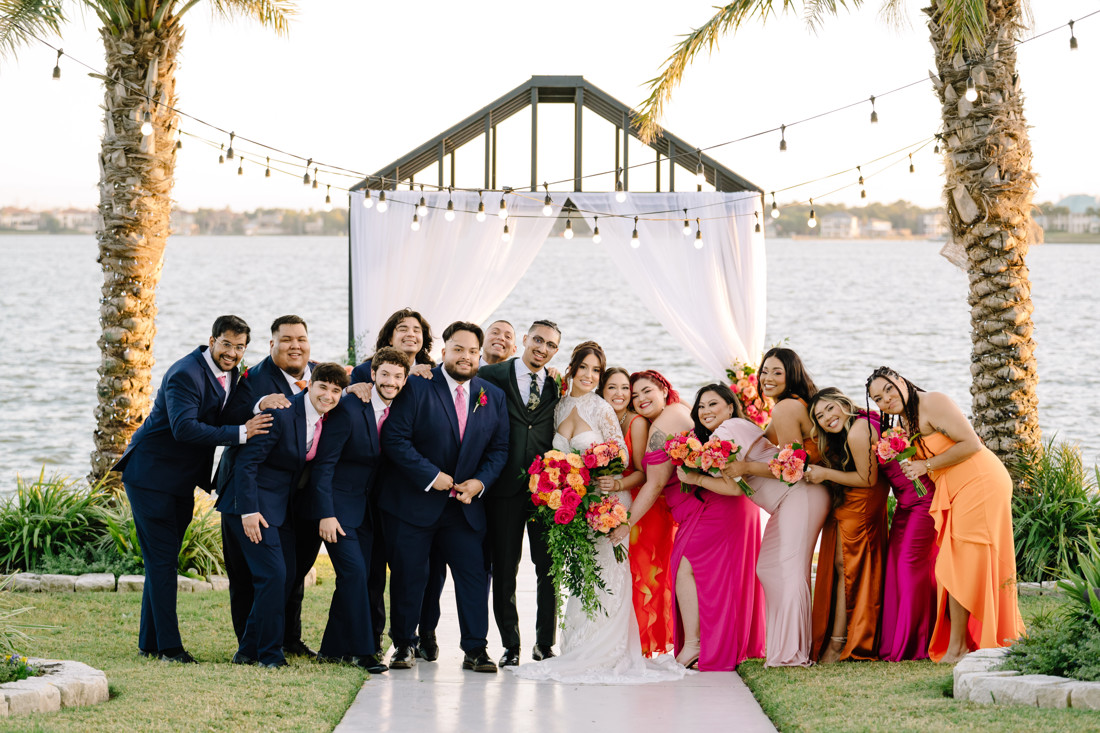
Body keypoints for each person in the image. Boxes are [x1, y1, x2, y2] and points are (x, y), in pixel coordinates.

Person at [512, 352, 687, 684]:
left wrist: (604, 478)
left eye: (596, 370)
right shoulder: (560, 406)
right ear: (572, 369)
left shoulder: (603, 409)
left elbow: (625, 462)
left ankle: (608, 650)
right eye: (584, 368)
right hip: (576, 504)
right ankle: (579, 644)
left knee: (607, 574)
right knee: (581, 575)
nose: (589, 375)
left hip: (606, 502)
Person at [114, 315, 269, 664]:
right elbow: (184, 428)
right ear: (211, 340)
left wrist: (261, 405)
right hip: (150, 476)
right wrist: (243, 433)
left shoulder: (232, 373)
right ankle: (170, 648)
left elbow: (228, 409)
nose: (232, 353)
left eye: (240, 347)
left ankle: (150, 641)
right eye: (226, 344)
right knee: (163, 562)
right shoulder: (185, 374)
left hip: (179, 481)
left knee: (161, 562)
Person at [867, 366, 1024, 664]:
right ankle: (964, 642)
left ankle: (959, 647)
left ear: (902, 381)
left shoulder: (932, 402)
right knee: (955, 562)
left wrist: (927, 466)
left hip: (979, 481)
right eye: (878, 398)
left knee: (960, 562)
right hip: (955, 489)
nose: (885, 399)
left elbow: (971, 444)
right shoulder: (906, 419)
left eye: (888, 389)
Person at [380, 321, 509, 673]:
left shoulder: (491, 395)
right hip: (415, 505)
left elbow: (499, 450)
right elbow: (395, 439)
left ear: (478, 355)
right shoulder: (417, 386)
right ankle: (404, 644)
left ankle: (475, 649)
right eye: (458, 349)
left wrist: (479, 483)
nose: (465, 357)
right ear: (444, 351)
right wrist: (431, 476)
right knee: (410, 577)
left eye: (472, 352)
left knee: (472, 578)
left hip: (465, 509)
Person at [219, 362, 348, 668]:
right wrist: (249, 511)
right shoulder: (280, 413)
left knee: (286, 576)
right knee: (273, 575)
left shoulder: (324, 421)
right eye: (322, 387)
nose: (328, 396)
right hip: (251, 506)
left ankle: (248, 650)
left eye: (335, 390)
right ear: (308, 385)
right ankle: (269, 655)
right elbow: (246, 463)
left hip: (281, 509)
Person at [216, 315, 326, 659]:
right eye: (287, 339)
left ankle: (287, 639)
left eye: (301, 339)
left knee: (292, 573)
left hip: (298, 495)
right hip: (252, 490)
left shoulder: (319, 376)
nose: (296, 346)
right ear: (272, 345)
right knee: (253, 574)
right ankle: (251, 645)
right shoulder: (254, 379)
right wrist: (257, 404)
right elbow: (227, 415)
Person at [309, 348, 411, 675]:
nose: (391, 382)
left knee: (362, 577)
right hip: (337, 509)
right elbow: (324, 465)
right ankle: (365, 652)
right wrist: (325, 514)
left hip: (367, 511)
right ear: (373, 374)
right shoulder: (351, 408)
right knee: (353, 573)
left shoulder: (401, 410)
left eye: (398, 376)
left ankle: (332, 649)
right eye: (385, 375)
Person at [348, 307, 437, 657]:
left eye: (417, 329)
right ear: (389, 336)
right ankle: (371, 639)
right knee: (372, 569)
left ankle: (418, 635)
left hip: (412, 489)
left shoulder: (432, 374)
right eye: (403, 328)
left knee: (416, 571)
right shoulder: (365, 371)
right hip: (369, 488)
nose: (410, 334)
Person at [477, 319, 562, 666]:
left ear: (556, 351)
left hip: (546, 493)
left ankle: (545, 643)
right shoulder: (492, 376)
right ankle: (510, 645)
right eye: (538, 340)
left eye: (551, 345)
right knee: (505, 569)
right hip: (504, 489)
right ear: (524, 340)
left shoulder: (558, 386)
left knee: (548, 569)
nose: (542, 348)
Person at [671, 384, 767, 670]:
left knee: (685, 562)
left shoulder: (727, 434)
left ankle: (695, 644)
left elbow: (735, 488)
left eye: (713, 404)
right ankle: (707, 642)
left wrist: (694, 478)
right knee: (716, 572)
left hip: (730, 507)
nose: (705, 411)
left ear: (729, 406)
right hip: (729, 508)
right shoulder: (725, 432)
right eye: (701, 406)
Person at [804, 388, 889, 663]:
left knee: (848, 566)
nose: (827, 417)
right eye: (820, 416)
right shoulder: (855, 426)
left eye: (830, 408)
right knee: (848, 566)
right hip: (856, 498)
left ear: (843, 403)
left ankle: (840, 642)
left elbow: (868, 480)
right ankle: (839, 637)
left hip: (862, 499)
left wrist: (825, 473)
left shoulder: (856, 430)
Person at [599, 366, 675, 657]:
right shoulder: (603, 418)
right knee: (624, 574)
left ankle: (645, 643)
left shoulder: (639, 423)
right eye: (613, 389)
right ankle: (621, 638)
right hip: (615, 505)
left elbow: (645, 474)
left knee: (647, 572)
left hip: (643, 505)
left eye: (626, 390)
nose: (623, 395)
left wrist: (617, 484)